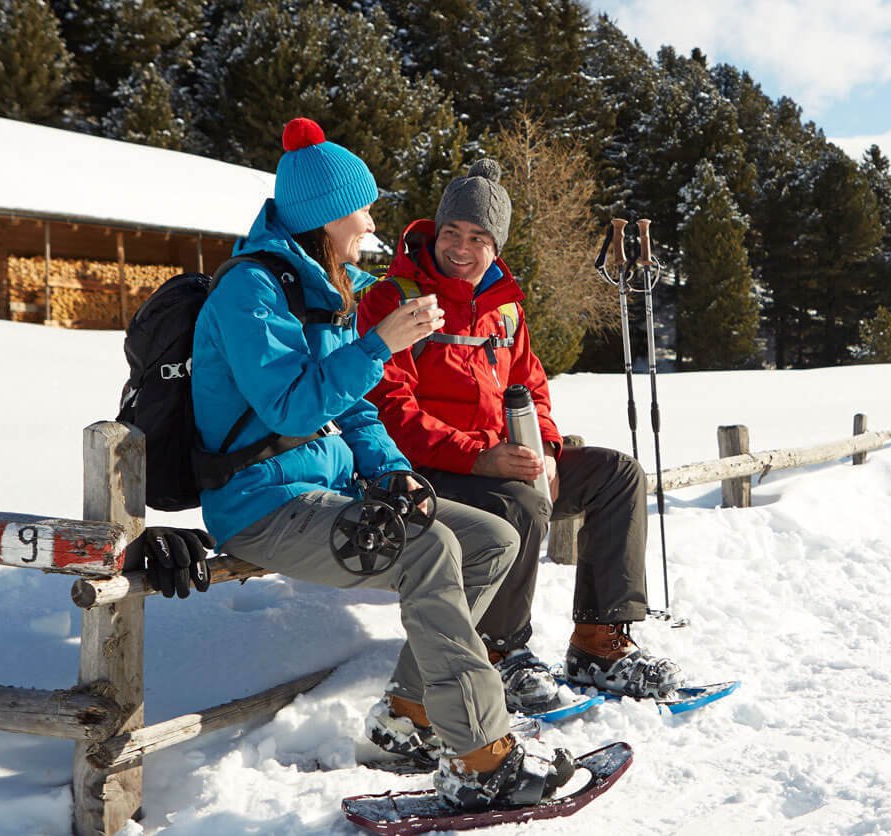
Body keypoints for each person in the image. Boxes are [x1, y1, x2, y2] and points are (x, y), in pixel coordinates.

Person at [192, 119, 570, 809]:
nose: (372, 220)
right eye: (362, 207)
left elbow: (357, 408)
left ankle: (409, 715)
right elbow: (291, 409)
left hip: (326, 489)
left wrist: (396, 473)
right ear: (329, 216)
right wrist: (379, 344)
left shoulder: (325, 286)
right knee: (427, 549)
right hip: (264, 506)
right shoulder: (252, 294)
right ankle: (482, 753)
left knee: (493, 539)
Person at [356, 160, 684, 714]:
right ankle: (500, 650)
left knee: (618, 474)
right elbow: (390, 410)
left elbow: (530, 385)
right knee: (521, 498)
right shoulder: (395, 300)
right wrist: (482, 458)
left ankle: (598, 642)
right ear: (436, 231)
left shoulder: (504, 307)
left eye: (478, 237)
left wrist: (549, 450)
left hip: (499, 457)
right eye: (453, 233)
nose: (461, 248)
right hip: (421, 470)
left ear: (496, 244)